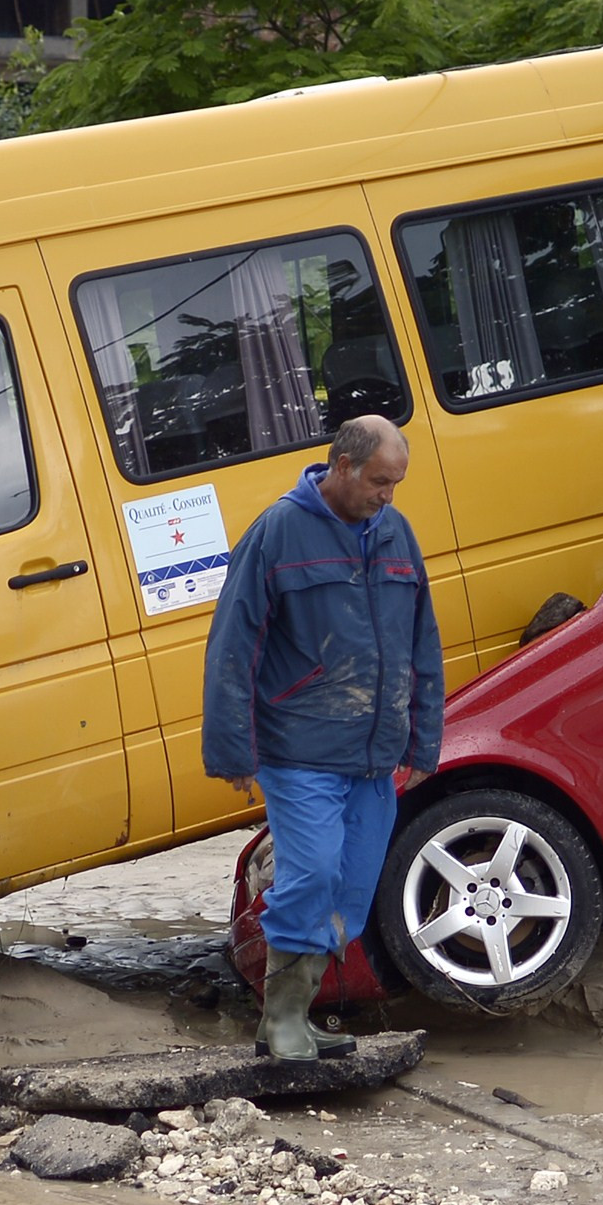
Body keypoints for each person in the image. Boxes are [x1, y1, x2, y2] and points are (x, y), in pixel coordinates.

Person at [201, 414, 442, 1061]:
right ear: (341, 465)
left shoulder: (396, 533)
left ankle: (295, 1017)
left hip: (373, 755)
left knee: (351, 886)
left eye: (396, 484)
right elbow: (233, 644)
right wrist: (233, 749)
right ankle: (278, 1022)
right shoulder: (278, 532)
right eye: (378, 481)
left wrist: (424, 741)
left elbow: (423, 639)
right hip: (298, 749)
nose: (386, 496)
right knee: (309, 874)